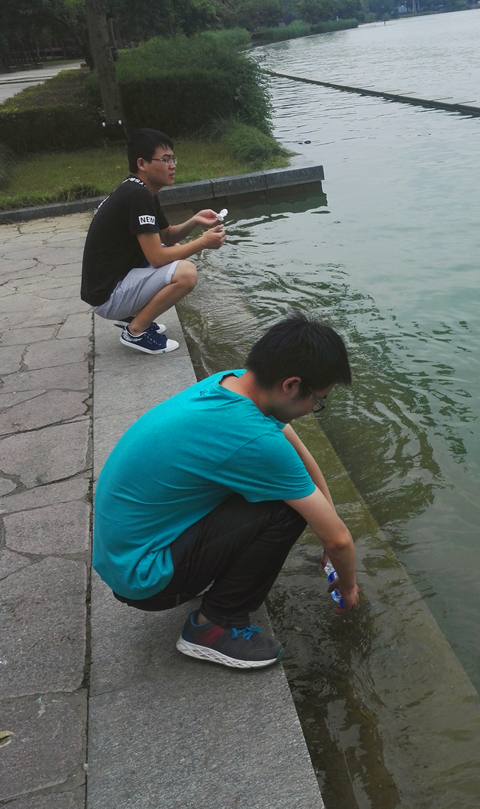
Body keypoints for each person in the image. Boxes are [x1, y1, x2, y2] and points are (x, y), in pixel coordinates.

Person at [93, 311, 359, 669]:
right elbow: (339, 540)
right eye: (318, 399)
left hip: (124, 553)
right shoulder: (252, 437)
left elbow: (294, 447)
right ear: (291, 385)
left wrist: (329, 512)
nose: (315, 409)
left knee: (282, 490)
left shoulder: (233, 382)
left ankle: (206, 586)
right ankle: (214, 625)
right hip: (144, 577)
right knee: (287, 510)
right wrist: (348, 586)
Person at [80, 127, 226, 355]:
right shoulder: (137, 196)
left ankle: (133, 316)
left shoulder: (140, 190)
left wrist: (194, 221)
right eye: (165, 159)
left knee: (175, 251)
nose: (172, 165)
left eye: (173, 159)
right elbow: (156, 258)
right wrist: (202, 242)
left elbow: (166, 235)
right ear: (142, 163)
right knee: (186, 273)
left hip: (109, 285)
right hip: (108, 296)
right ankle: (136, 330)